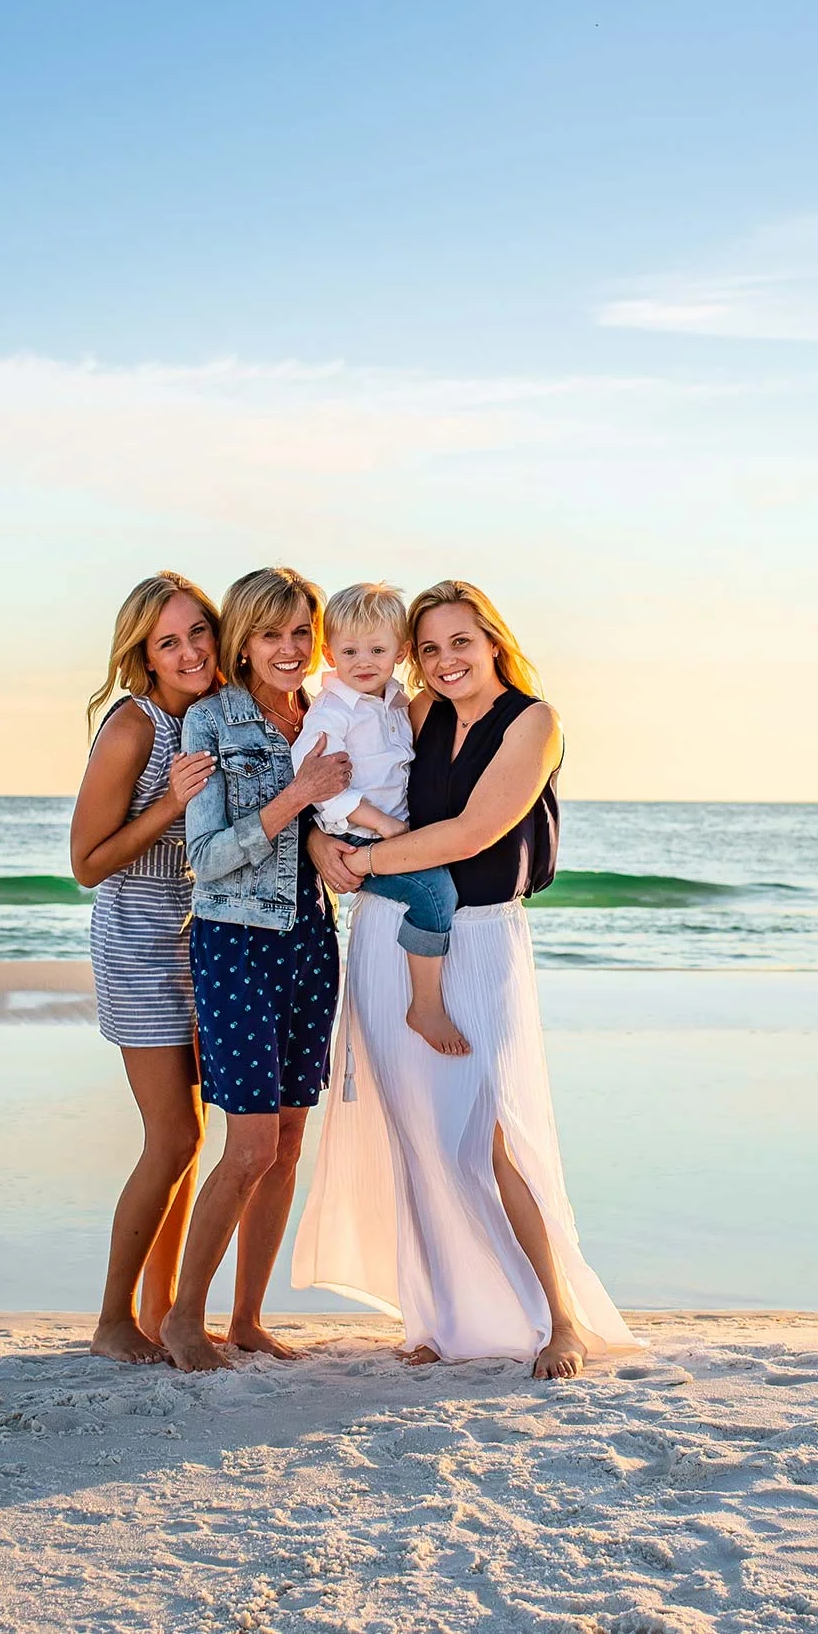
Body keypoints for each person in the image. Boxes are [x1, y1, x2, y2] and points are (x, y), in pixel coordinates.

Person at [292, 579, 636, 1380]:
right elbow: (332, 793)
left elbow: (475, 829)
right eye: (432, 647)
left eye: (461, 642)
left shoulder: (534, 722)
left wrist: (365, 859)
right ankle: (439, 1317)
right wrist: (323, 852)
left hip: (480, 940)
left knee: (496, 1131)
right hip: (386, 935)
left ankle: (560, 1320)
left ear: (493, 642)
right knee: (414, 1129)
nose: (447, 661)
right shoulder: (412, 713)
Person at [160, 566, 353, 1372]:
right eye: (272, 634)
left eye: (302, 633)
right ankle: (181, 1320)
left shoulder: (323, 711)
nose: (289, 648)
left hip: (313, 934)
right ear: (242, 639)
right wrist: (296, 796)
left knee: (289, 1139)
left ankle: (245, 1320)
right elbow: (206, 856)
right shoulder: (209, 723)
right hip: (236, 939)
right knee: (247, 1145)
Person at [69, 572, 222, 1365]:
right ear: (144, 653)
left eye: (199, 631)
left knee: (191, 1138)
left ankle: (164, 1308)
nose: (191, 649)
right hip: (138, 936)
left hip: (205, 936)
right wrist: (169, 802)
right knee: (171, 1136)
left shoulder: (213, 713)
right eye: (170, 641)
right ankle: (111, 1318)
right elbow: (86, 863)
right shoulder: (134, 728)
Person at [292, 581, 465, 1056]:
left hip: (387, 833)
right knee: (435, 891)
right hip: (356, 839)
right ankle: (424, 1004)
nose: (363, 661)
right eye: (349, 651)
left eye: (377, 649)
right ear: (329, 653)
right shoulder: (332, 711)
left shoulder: (395, 701)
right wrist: (383, 825)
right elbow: (316, 780)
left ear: (402, 652)